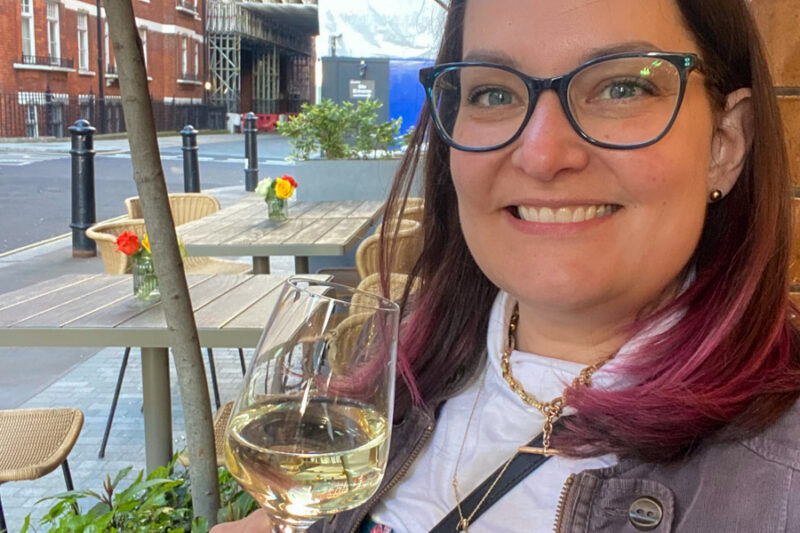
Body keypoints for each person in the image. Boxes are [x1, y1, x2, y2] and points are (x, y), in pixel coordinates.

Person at [212, 0, 800, 531]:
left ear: (725, 143)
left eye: (621, 87)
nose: (543, 154)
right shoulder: (397, 358)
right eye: (493, 93)